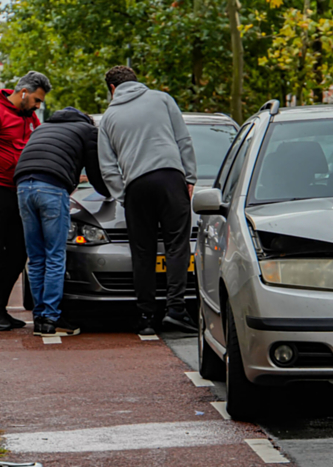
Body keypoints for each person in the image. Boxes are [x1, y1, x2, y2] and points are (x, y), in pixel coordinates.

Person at [98, 66, 197, 335]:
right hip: (170, 178)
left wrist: (124, 194)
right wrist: (189, 178)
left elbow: (107, 167)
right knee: (177, 246)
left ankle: (145, 317)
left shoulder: (108, 118)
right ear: (136, 82)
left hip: (137, 186)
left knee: (143, 252)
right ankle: (176, 311)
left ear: (112, 89)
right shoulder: (162, 99)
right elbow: (183, 140)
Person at [14, 107, 110, 337]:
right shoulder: (88, 131)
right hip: (51, 188)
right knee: (55, 255)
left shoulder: (42, 127)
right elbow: (95, 171)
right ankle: (51, 317)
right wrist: (108, 193)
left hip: (22, 186)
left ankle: (39, 317)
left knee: (36, 257)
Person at [0, 71, 52, 331]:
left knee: (20, 252)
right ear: (25, 93)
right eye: (37, 100)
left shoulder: (31, 118)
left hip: (19, 191)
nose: (38, 106)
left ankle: (0, 309)